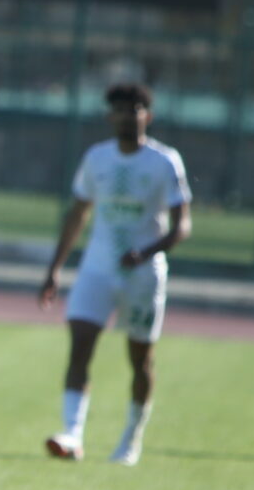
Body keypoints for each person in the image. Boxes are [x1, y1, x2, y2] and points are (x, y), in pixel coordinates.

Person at [38, 82, 191, 465]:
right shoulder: (97, 159)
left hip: (143, 276)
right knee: (80, 346)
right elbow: (78, 214)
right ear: (110, 116)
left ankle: (130, 440)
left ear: (148, 115)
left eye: (136, 109)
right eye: (120, 110)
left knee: (140, 359)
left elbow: (181, 226)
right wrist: (55, 269)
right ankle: (72, 435)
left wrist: (146, 252)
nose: (128, 116)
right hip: (96, 269)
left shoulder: (164, 162)